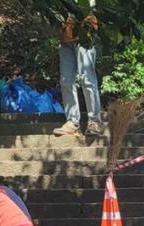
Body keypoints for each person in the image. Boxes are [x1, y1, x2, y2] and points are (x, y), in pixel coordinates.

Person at [53, 5, 102, 137]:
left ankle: (94, 121)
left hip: (84, 37)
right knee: (66, 81)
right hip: (65, 40)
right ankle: (72, 122)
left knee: (88, 79)